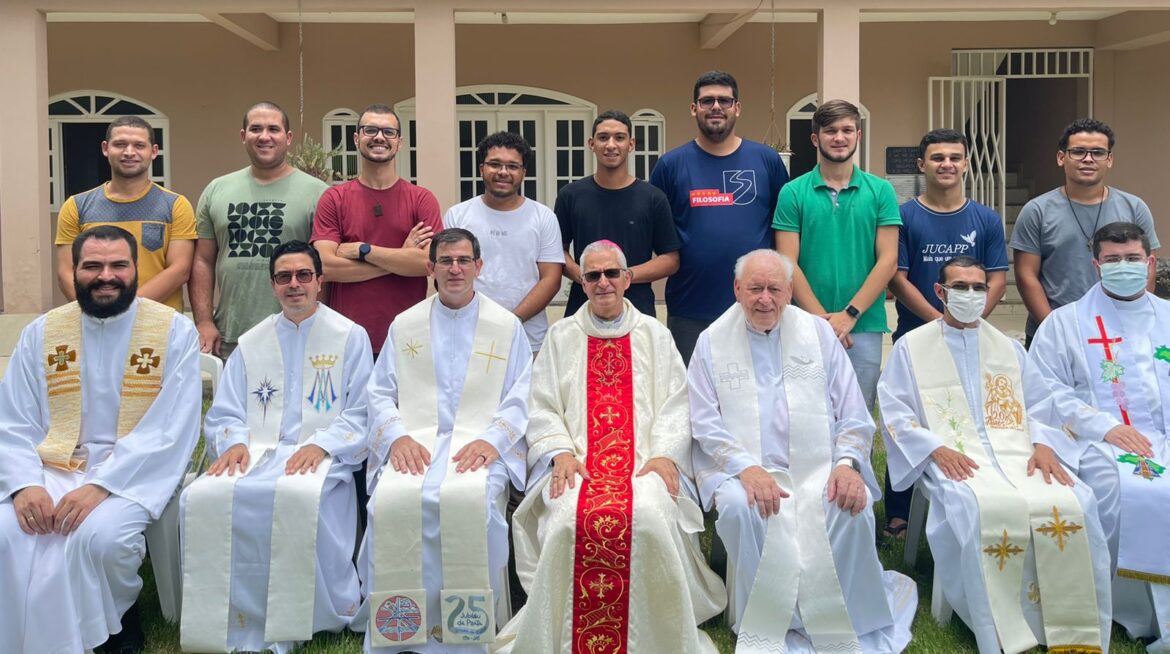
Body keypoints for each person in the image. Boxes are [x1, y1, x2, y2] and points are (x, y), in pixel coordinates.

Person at [496, 240, 726, 654]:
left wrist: (663, 454)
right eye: (592, 275)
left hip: (643, 464)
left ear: (627, 278)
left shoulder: (655, 335)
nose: (603, 283)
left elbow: (678, 403)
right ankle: (562, 629)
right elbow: (541, 404)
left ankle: (654, 629)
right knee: (568, 521)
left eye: (611, 274)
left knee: (651, 517)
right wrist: (560, 452)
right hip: (579, 462)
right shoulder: (561, 336)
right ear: (581, 283)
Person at [879, 255, 1110, 654]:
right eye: (960, 287)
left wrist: (1044, 443)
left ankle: (1066, 620)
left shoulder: (1007, 348)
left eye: (978, 287)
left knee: (1074, 501)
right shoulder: (911, 348)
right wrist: (934, 448)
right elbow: (894, 410)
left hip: (1017, 452)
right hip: (954, 456)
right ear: (940, 292)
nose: (970, 295)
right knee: (983, 507)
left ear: (990, 293)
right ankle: (998, 621)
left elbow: (1040, 405)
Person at [689, 249, 915, 653]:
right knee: (744, 507)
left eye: (775, 288)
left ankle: (842, 611)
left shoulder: (819, 334)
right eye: (755, 288)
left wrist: (846, 465)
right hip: (744, 469)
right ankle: (763, 614)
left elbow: (853, 413)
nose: (765, 299)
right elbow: (705, 423)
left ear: (790, 291)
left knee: (852, 503)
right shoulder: (711, 343)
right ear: (737, 289)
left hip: (818, 467)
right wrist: (746, 469)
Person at [0, 225, 200, 654]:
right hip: (53, 465)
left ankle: (110, 627)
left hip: (133, 473)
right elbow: (13, 417)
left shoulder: (172, 332)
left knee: (102, 539)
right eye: (92, 265)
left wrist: (102, 485)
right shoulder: (43, 332)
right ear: (74, 271)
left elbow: (171, 427)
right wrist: (24, 483)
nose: (105, 275)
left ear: (134, 270)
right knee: (8, 532)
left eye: (117, 265)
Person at [179, 240, 373, 653]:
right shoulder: (252, 342)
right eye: (284, 277)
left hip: (322, 454)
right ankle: (228, 613)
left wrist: (321, 445)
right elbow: (227, 411)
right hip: (258, 451)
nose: (294, 284)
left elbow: (360, 413)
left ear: (320, 281)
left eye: (304, 275)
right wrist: (231, 442)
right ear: (273, 286)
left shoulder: (349, 337)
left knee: (298, 494)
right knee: (205, 495)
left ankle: (318, 610)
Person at [360, 228, 531, 653]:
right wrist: (397, 437)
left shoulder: (505, 327)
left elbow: (523, 394)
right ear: (430, 267)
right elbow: (379, 392)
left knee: (472, 505)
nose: (455, 269)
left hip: (477, 446)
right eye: (446, 261)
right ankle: (401, 630)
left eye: (463, 261)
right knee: (391, 502)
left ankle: (468, 632)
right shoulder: (407, 324)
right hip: (416, 443)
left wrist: (493, 441)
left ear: (479, 266)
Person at [1027, 222, 1170, 651]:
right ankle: (1132, 610)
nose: (1123, 267)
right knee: (1120, 490)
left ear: (1150, 262)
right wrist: (1106, 426)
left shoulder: (1168, 317)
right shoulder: (1065, 323)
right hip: (1096, 440)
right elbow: (1045, 390)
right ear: (1096, 265)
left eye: (1132, 259)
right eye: (1112, 260)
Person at [883, 128, 1009, 537]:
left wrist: (968, 320)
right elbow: (897, 279)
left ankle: (980, 483)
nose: (947, 164)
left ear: (966, 163)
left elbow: (997, 278)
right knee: (909, 418)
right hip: (916, 332)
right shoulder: (905, 215)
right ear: (923, 165)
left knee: (966, 415)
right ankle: (900, 511)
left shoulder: (985, 219)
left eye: (955, 157)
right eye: (937, 158)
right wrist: (940, 321)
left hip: (970, 335)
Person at [651, 71, 789, 362]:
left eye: (724, 100)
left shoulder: (766, 161)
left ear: (737, 108)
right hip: (690, 311)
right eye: (707, 101)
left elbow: (784, 231)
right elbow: (658, 234)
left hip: (757, 307)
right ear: (694, 108)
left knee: (756, 397)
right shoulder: (670, 165)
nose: (716, 107)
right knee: (694, 400)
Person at [774, 99, 900, 409]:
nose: (839, 137)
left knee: (857, 415)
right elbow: (787, 260)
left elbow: (888, 260)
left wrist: (849, 315)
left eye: (847, 130)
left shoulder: (880, 191)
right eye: (830, 131)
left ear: (858, 134)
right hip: (803, 324)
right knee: (804, 414)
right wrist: (822, 321)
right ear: (816, 139)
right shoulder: (793, 192)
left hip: (864, 325)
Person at [192, 101, 328, 359]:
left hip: (296, 332)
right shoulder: (216, 190)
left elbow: (324, 268)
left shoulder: (317, 193)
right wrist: (204, 321)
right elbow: (202, 259)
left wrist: (319, 325)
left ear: (288, 138)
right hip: (232, 334)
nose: (264, 136)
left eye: (273, 129)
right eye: (256, 129)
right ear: (243, 136)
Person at [1011, 118, 1159, 346]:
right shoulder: (1037, 211)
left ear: (1109, 159)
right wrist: (1055, 328)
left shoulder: (1134, 208)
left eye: (1098, 152)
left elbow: (1147, 268)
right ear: (1061, 158)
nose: (1088, 159)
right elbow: (1026, 276)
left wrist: (1132, 318)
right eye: (1078, 151)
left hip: (1121, 329)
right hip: (1053, 332)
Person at [312, 103, 442, 355]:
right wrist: (400, 257)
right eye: (370, 130)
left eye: (388, 132)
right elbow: (326, 267)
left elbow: (428, 263)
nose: (379, 137)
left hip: (408, 340)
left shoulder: (421, 200)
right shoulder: (334, 199)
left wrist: (363, 250)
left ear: (400, 142)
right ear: (356, 138)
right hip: (347, 338)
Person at [55, 115, 196, 313]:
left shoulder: (175, 206)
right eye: (120, 144)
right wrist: (96, 311)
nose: (129, 152)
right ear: (105, 148)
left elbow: (179, 270)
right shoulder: (76, 207)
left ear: (153, 151)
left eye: (139, 145)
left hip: (159, 324)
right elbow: (65, 272)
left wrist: (123, 310)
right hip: (95, 322)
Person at [444, 131, 563, 353]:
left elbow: (551, 279)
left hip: (528, 341)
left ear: (523, 172)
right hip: (468, 337)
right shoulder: (458, 216)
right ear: (482, 169)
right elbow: (450, 273)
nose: (503, 172)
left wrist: (511, 322)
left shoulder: (543, 217)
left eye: (512, 166)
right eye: (495, 164)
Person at [555, 109, 680, 318]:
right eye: (603, 137)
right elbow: (557, 251)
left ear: (630, 144)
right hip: (583, 311)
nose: (611, 145)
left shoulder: (653, 198)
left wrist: (624, 276)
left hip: (637, 313)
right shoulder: (571, 195)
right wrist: (588, 276)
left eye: (619, 138)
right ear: (591, 143)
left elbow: (670, 259)